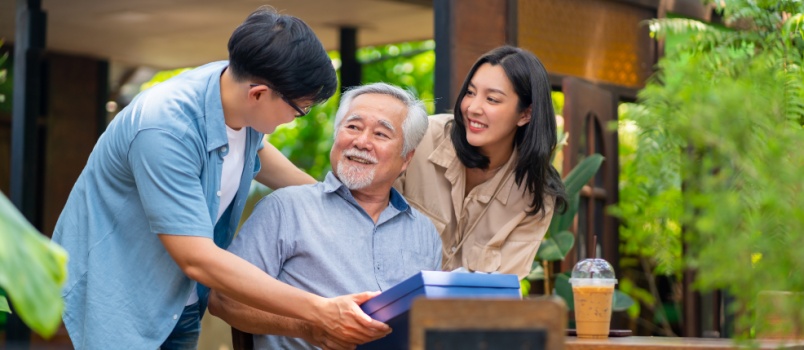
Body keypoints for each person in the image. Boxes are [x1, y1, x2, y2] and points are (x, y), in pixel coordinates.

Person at [52, 7, 388, 349]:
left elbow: (254, 151)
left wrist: (329, 201)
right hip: (123, 295)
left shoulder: (231, 85)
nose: (296, 119)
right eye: (299, 109)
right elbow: (196, 258)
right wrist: (321, 310)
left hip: (179, 299)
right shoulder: (165, 129)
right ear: (258, 94)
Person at [208, 83, 441, 350]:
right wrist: (309, 327)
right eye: (352, 127)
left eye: (380, 133)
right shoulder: (287, 208)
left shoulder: (424, 232)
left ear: (406, 159)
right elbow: (223, 300)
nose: (361, 142)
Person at [394, 46, 568, 279]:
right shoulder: (420, 138)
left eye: (492, 99)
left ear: (525, 114)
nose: (473, 108)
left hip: (469, 314)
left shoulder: (535, 195)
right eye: (470, 92)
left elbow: (499, 290)